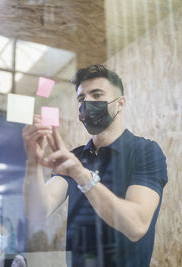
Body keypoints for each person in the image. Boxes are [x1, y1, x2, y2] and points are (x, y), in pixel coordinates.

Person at [22, 64, 167, 267]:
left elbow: (137, 225)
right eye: (81, 98)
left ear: (120, 104)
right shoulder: (76, 157)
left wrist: (81, 174)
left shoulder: (144, 151)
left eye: (97, 95)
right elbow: (37, 211)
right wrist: (33, 162)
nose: (87, 102)